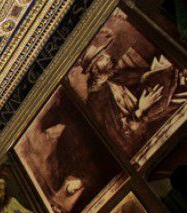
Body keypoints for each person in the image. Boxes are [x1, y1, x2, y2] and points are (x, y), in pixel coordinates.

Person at [79, 26, 187, 156]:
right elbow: (121, 137)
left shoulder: (115, 76)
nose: (108, 57)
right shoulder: (96, 101)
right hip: (146, 135)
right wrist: (140, 109)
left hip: (155, 109)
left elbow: (144, 76)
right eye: (101, 58)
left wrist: (163, 69)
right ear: (94, 69)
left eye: (104, 53)